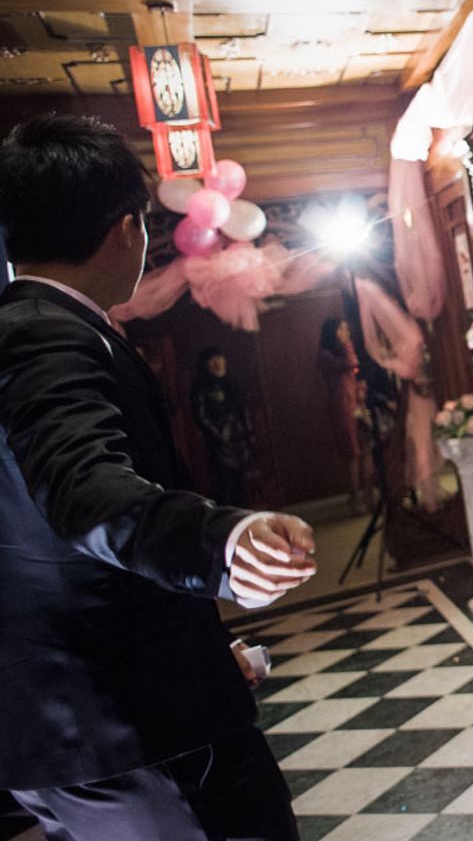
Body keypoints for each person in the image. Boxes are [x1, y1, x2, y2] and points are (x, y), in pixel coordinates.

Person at [0, 113, 318, 841]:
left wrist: (200, 648)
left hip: (72, 720)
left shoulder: (29, 326)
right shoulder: (48, 334)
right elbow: (82, 487)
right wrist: (221, 540)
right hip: (127, 726)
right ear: (126, 229)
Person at [190, 346, 253, 508]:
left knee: (242, 485)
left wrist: (248, 433)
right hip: (218, 445)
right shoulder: (202, 387)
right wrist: (219, 436)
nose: (217, 363)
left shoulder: (232, 382)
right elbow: (201, 417)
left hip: (239, 442)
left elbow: (243, 409)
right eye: (212, 359)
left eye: (220, 357)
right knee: (224, 486)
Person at [316, 316, 367, 513]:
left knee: (363, 445)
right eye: (342, 329)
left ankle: (366, 492)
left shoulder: (338, 351)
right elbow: (351, 362)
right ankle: (355, 496)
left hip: (354, 401)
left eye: (347, 328)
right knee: (351, 450)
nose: (346, 333)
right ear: (333, 332)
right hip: (341, 405)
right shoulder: (326, 355)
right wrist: (347, 345)